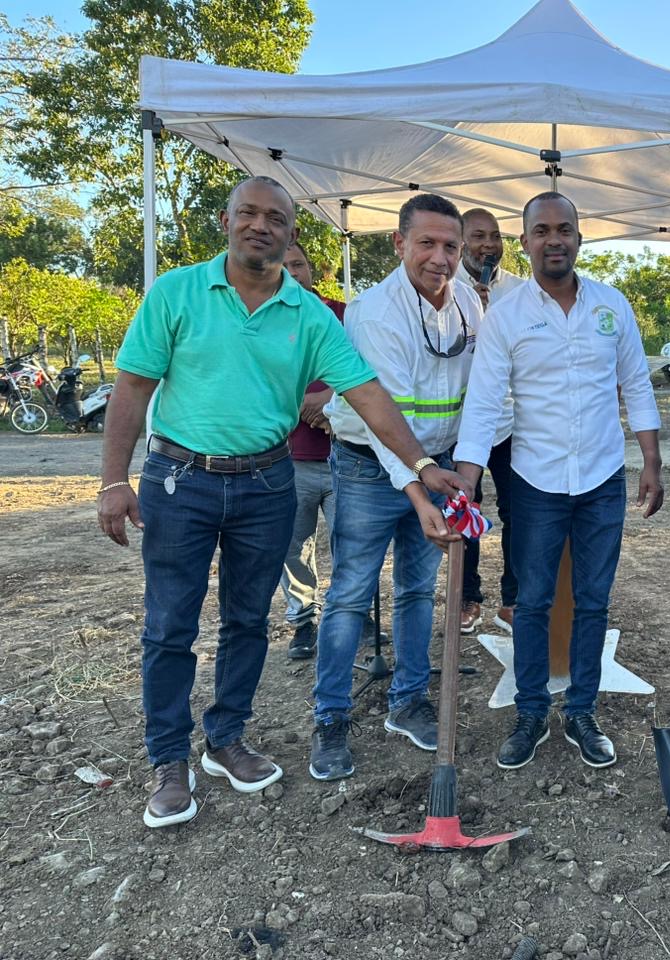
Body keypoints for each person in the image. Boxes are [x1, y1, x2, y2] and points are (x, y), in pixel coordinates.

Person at [97, 176, 464, 830]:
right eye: (249, 213)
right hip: (180, 479)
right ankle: (169, 762)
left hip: (267, 483)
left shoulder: (309, 313)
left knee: (248, 620)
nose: (260, 226)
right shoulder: (176, 292)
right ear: (226, 221)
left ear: (291, 232)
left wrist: (421, 464)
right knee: (170, 624)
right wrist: (112, 479)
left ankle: (226, 739)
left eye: (275, 218)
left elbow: (368, 396)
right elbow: (132, 386)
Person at [454, 191, 664, 771]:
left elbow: (636, 384)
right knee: (532, 601)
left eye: (564, 229)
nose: (554, 240)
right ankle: (530, 713)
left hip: (602, 477)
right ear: (525, 241)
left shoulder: (612, 306)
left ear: (578, 236)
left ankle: (581, 710)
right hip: (535, 480)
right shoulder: (506, 316)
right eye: (542, 230)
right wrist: (467, 478)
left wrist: (651, 459)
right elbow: (484, 401)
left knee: (593, 600)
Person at [308, 194, 483, 782]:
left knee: (417, 590)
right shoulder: (374, 312)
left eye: (451, 246)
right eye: (426, 243)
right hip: (369, 466)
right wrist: (417, 488)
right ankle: (330, 717)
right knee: (350, 594)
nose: (440, 258)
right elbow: (385, 419)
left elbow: (481, 394)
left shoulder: (467, 304)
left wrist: (460, 474)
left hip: (438, 467)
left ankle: (407, 701)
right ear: (398, 243)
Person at [453, 207, 524, 634]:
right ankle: (468, 597)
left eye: (495, 236)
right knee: (466, 509)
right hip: (462, 424)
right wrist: (473, 311)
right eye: (478, 236)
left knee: (518, 511)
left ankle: (514, 599)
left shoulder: (520, 290)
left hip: (511, 420)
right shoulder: (444, 286)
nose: (488, 245)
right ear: (462, 241)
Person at [278, 241, 345, 661]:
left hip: (346, 457)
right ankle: (304, 620)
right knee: (294, 547)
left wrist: (331, 400)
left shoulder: (342, 314)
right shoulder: (260, 321)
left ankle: (353, 614)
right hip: (290, 460)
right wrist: (301, 404)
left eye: (298, 264)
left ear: (311, 269)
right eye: (282, 266)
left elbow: (372, 367)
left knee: (351, 543)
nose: (292, 273)